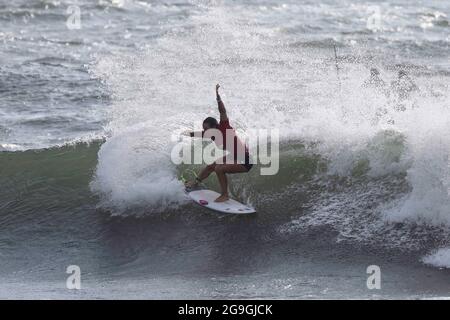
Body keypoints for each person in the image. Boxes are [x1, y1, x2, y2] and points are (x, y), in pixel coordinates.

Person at [183, 84, 253, 202]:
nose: (205, 131)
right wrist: (186, 134)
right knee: (212, 165)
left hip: (245, 160)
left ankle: (225, 195)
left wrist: (218, 97)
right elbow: (198, 134)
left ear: (214, 126)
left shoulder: (224, 127)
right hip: (235, 156)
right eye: (204, 129)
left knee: (219, 169)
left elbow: (222, 111)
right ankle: (195, 183)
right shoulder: (212, 134)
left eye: (206, 128)